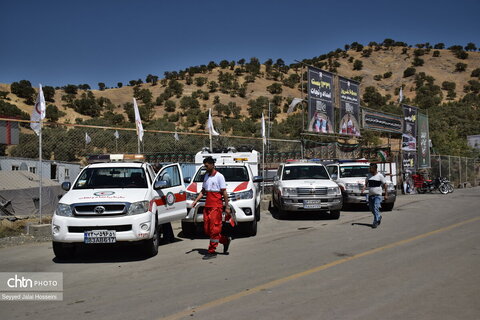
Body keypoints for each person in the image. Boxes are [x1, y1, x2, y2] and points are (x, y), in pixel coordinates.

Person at [191, 156, 232, 259]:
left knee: (214, 229)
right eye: (205, 166)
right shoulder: (206, 176)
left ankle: (211, 251)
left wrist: (227, 207)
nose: (205, 167)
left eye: (207, 165)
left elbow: (224, 193)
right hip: (207, 206)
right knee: (207, 230)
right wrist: (195, 201)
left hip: (216, 207)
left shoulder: (219, 176)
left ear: (212, 165)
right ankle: (225, 240)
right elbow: (203, 191)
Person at [362, 163, 388, 228]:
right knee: (371, 208)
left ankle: (375, 222)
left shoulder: (380, 176)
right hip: (370, 195)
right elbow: (366, 183)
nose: (370, 169)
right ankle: (378, 216)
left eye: (371, 168)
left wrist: (386, 194)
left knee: (376, 207)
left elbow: (385, 185)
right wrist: (364, 188)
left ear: (375, 169)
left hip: (378, 195)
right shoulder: (369, 176)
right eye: (369, 168)